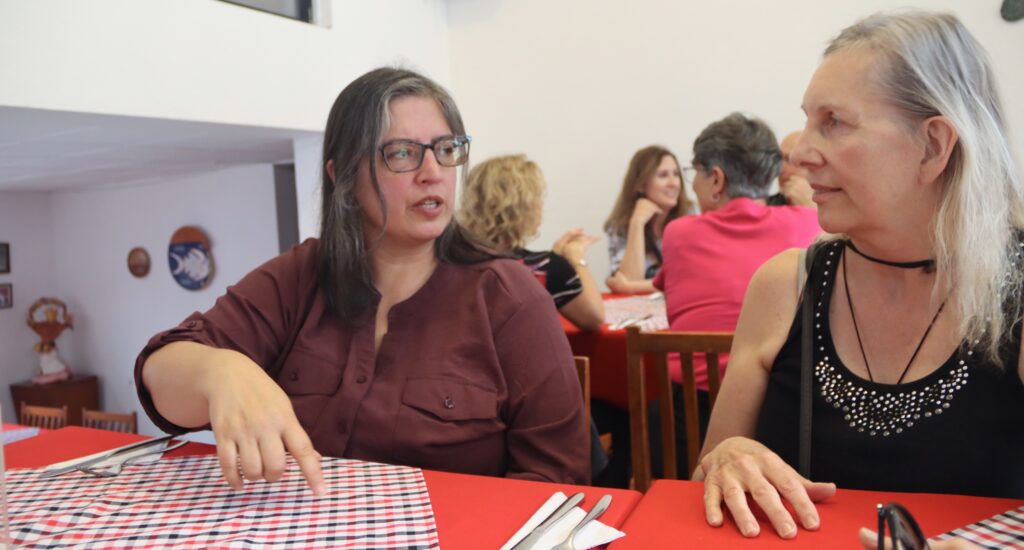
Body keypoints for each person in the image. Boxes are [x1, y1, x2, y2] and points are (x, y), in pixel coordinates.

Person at [135, 67, 589, 493]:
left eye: (446, 149)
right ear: (344, 176)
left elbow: (558, 479)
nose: (433, 172)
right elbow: (159, 376)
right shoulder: (301, 276)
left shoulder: (510, 298)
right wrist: (220, 371)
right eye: (402, 153)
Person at [693, 10, 1024, 548]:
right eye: (808, 119)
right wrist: (727, 458)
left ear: (933, 145)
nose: (797, 154)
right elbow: (701, 488)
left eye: (834, 122)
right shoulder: (786, 285)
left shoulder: (1016, 290)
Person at [650, 113, 820, 475]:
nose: (690, 184)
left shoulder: (679, 233)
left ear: (716, 179)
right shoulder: (809, 223)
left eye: (693, 172)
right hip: (777, 418)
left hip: (689, 418)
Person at [458, 154, 605, 331]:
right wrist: (576, 259)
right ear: (524, 208)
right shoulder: (547, 268)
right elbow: (594, 318)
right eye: (538, 198)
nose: (541, 205)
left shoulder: (451, 260)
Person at [604, 146, 694, 294]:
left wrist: (632, 286)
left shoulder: (692, 216)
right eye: (663, 175)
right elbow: (628, 280)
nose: (674, 183)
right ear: (640, 184)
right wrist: (637, 224)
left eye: (676, 174)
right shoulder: (619, 226)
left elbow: (689, 281)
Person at [766, 131, 815, 208]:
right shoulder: (766, 208)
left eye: (789, 160)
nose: (780, 170)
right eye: (779, 160)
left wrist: (810, 206)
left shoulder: (836, 207)